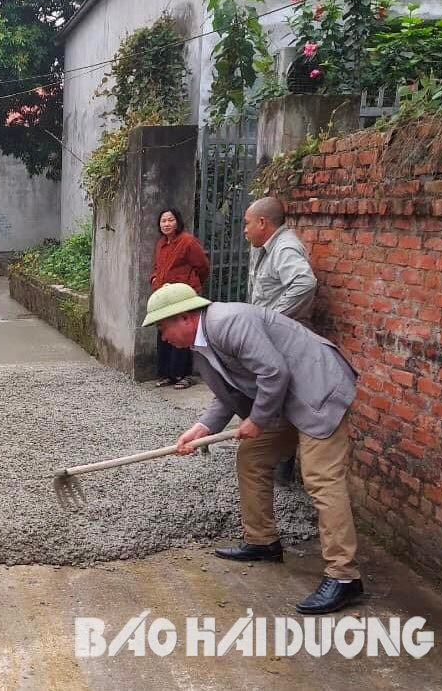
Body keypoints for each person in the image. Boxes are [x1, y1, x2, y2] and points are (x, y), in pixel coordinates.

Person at [144, 283, 363, 614]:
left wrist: (257, 419)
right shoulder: (202, 347)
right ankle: (262, 542)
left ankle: (344, 577)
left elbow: (273, 371)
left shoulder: (228, 322)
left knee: (321, 479)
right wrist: (201, 429)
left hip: (317, 391)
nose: (163, 337)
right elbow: (226, 394)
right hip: (286, 400)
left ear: (185, 318)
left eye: (163, 327)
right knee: (253, 457)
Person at [244, 196, 318, 487]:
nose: (245, 230)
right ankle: (275, 460)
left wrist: (271, 318)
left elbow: (305, 282)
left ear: (263, 222)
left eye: (247, 223)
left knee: (282, 397)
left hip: (287, 340)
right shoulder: (266, 248)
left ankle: (281, 462)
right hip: (275, 338)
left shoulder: (284, 247)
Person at [149, 208, 210, 389]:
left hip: (183, 296)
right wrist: (154, 280)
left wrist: (190, 284)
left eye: (170, 220)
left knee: (183, 333)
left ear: (178, 222)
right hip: (164, 296)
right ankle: (166, 373)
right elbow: (157, 267)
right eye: (163, 221)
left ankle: (184, 374)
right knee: (165, 333)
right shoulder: (161, 244)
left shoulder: (187, 241)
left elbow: (202, 266)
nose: (166, 224)